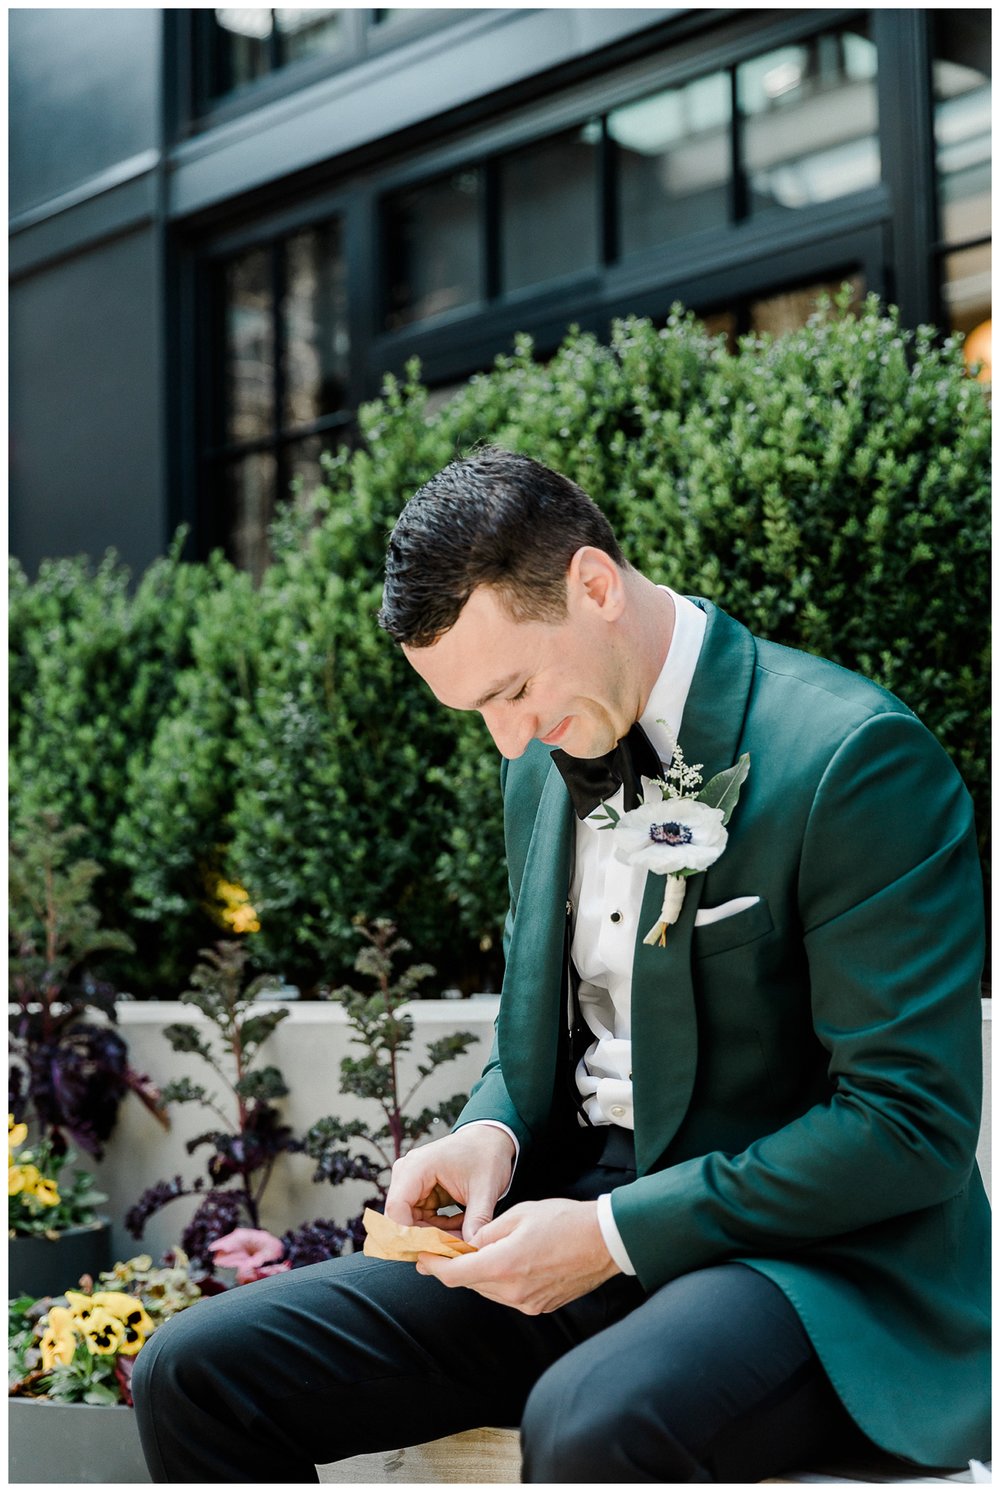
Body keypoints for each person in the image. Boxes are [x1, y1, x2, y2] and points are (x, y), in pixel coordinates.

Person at [133, 447, 990, 1483]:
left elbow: (909, 1126)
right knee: (196, 1368)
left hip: (809, 1266)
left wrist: (614, 1230)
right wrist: (489, 1128)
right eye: (477, 715)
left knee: (588, 1418)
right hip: (566, 1215)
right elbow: (544, 1030)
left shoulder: (852, 757)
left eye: (514, 690)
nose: (508, 743)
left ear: (593, 585)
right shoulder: (539, 765)